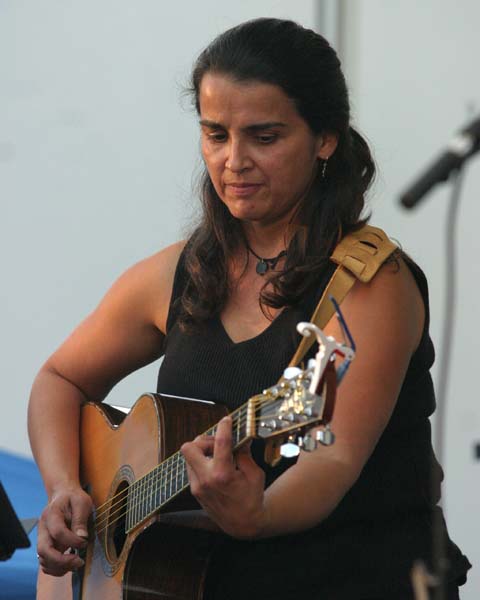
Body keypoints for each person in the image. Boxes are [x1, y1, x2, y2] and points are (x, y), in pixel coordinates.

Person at [29, 17, 470, 599]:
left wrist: (257, 515)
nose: (233, 160)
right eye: (216, 135)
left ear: (325, 139)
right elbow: (59, 379)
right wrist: (65, 487)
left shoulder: (370, 286)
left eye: (264, 137)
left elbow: (332, 461)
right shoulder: (179, 271)